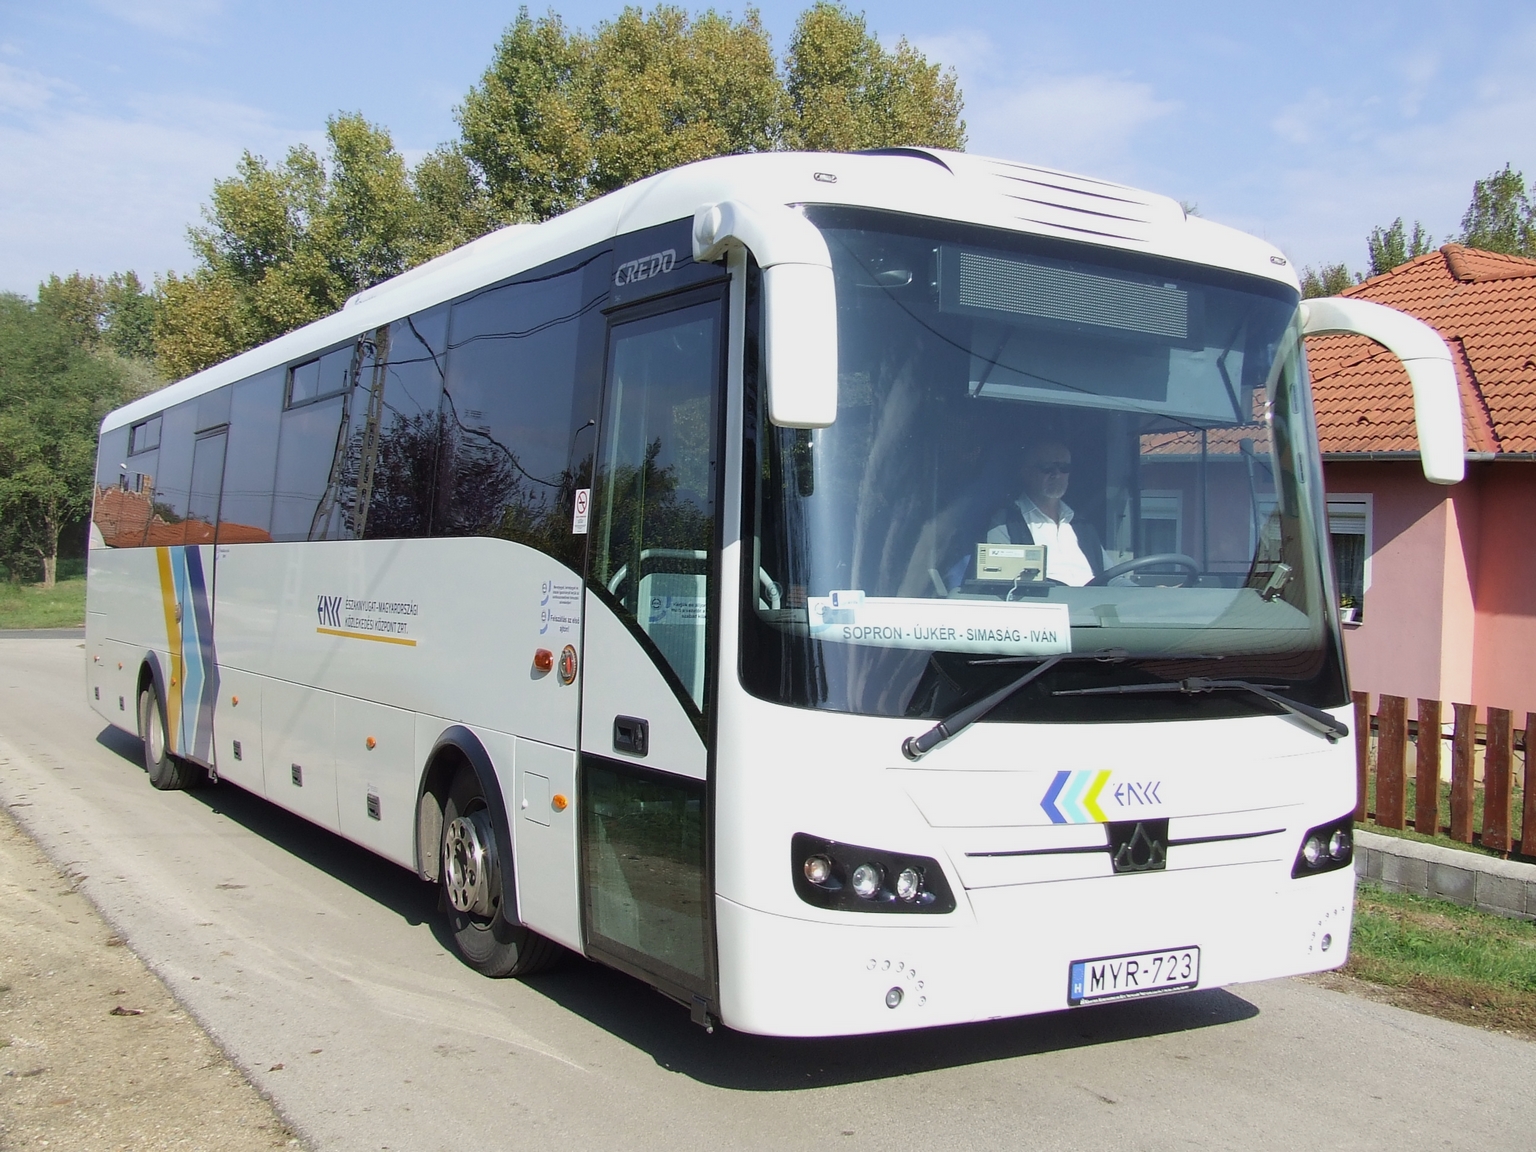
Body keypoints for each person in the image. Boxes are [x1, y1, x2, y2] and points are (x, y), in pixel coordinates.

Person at [985, 438, 1105, 586]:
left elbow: (1111, 575)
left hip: (1094, 598)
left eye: (1064, 468)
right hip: (1044, 600)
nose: (1057, 474)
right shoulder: (1006, 522)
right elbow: (999, 580)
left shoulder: (1082, 525)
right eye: (1047, 467)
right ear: (1026, 472)